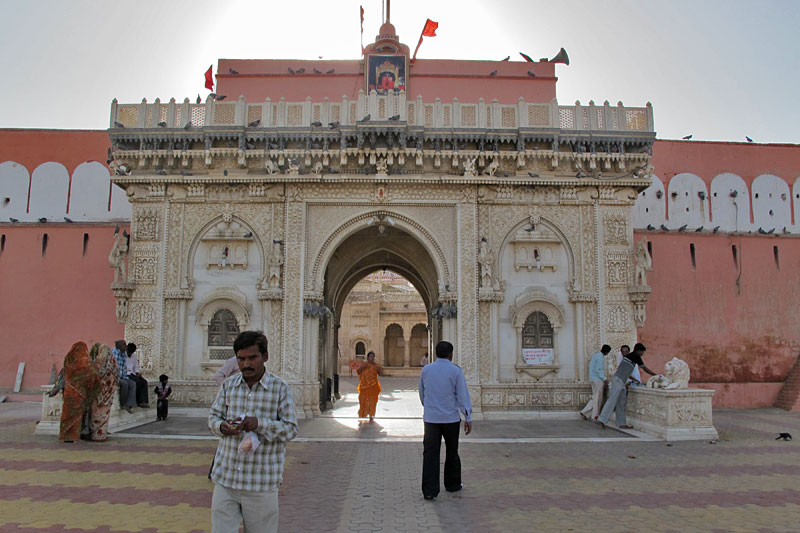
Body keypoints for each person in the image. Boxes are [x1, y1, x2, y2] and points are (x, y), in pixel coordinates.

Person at [208, 331, 298, 533]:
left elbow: (291, 429)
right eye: (241, 359)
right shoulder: (229, 386)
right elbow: (213, 417)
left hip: (260, 483)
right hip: (226, 479)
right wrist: (223, 427)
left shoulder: (280, 389)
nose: (246, 364)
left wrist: (260, 424)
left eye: (252, 358)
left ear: (265, 357)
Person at [419, 341, 472, 501]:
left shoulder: (426, 370)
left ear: (435, 353)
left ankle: (429, 490)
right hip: (450, 419)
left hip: (431, 419)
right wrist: (467, 416)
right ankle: (452, 484)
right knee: (452, 452)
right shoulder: (455, 371)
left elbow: (422, 393)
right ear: (451, 354)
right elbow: (462, 395)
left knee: (430, 454)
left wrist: (429, 407)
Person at [597, 343, 659, 430]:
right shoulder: (636, 356)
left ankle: (622, 423)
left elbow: (626, 372)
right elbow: (645, 368)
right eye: (642, 352)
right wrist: (656, 375)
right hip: (619, 380)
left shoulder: (629, 356)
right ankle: (602, 419)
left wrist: (634, 380)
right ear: (638, 351)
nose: (642, 354)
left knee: (621, 403)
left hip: (621, 381)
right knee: (612, 400)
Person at [52, 341, 100, 443]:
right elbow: (92, 375)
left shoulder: (68, 359)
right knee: (77, 415)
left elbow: (64, 373)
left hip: (69, 391)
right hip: (80, 393)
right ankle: (74, 436)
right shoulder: (85, 362)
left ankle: (65, 436)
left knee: (67, 414)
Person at [88, 343, 118, 441]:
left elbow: (94, 375)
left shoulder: (97, 363)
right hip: (108, 396)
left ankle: (95, 435)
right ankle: (102, 435)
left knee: (96, 414)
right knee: (104, 415)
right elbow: (117, 377)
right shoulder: (113, 365)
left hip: (98, 395)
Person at [580, 344, 610, 421]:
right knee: (597, 398)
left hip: (593, 379)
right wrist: (605, 379)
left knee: (595, 397)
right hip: (598, 380)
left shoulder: (595, 356)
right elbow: (599, 370)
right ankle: (594, 415)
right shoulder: (600, 358)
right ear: (606, 352)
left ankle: (586, 412)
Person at [111, 340, 136, 413]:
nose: (125, 347)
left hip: (122, 376)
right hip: (114, 377)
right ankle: (123, 404)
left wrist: (125, 377)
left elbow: (124, 367)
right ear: (119, 346)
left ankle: (130, 404)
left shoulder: (123, 354)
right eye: (124, 345)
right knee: (124, 384)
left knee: (132, 383)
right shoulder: (114, 353)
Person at [357, 351, 382, 421]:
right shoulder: (364, 365)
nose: (372, 358)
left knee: (372, 401)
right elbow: (358, 372)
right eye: (370, 356)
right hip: (364, 386)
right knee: (363, 400)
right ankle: (363, 414)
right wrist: (362, 367)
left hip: (373, 386)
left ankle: (371, 414)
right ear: (368, 357)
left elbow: (380, 374)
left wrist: (379, 369)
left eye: (373, 356)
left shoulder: (376, 366)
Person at [125, 342, 149, 408]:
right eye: (129, 352)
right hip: (126, 374)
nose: (130, 354)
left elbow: (136, 367)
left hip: (133, 373)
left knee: (144, 382)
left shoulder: (134, 356)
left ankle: (144, 401)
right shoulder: (123, 355)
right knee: (137, 382)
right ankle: (138, 401)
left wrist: (138, 373)